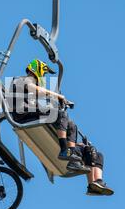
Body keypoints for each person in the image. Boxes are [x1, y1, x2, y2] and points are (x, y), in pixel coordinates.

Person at [9, 59, 114, 196]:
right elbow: (33, 89)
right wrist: (57, 96)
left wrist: (78, 144)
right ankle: (66, 151)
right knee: (60, 113)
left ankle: (94, 184)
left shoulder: (32, 95)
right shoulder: (23, 79)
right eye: (44, 74)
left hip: (34, 115)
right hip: (22, 115)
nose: (43, 78)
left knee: (93, 151)